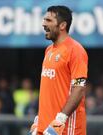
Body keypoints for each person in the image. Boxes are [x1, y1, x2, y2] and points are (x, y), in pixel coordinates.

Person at [29, 5, 88, 135]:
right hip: (45, 128)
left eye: (49, 20)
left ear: (62, 25)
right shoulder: (48, 50)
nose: (44, 23)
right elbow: (48, 89)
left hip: (66, 129)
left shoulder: (76, 51)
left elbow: (79, 89)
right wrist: (39, 120)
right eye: (44, 19)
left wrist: (60, 120)